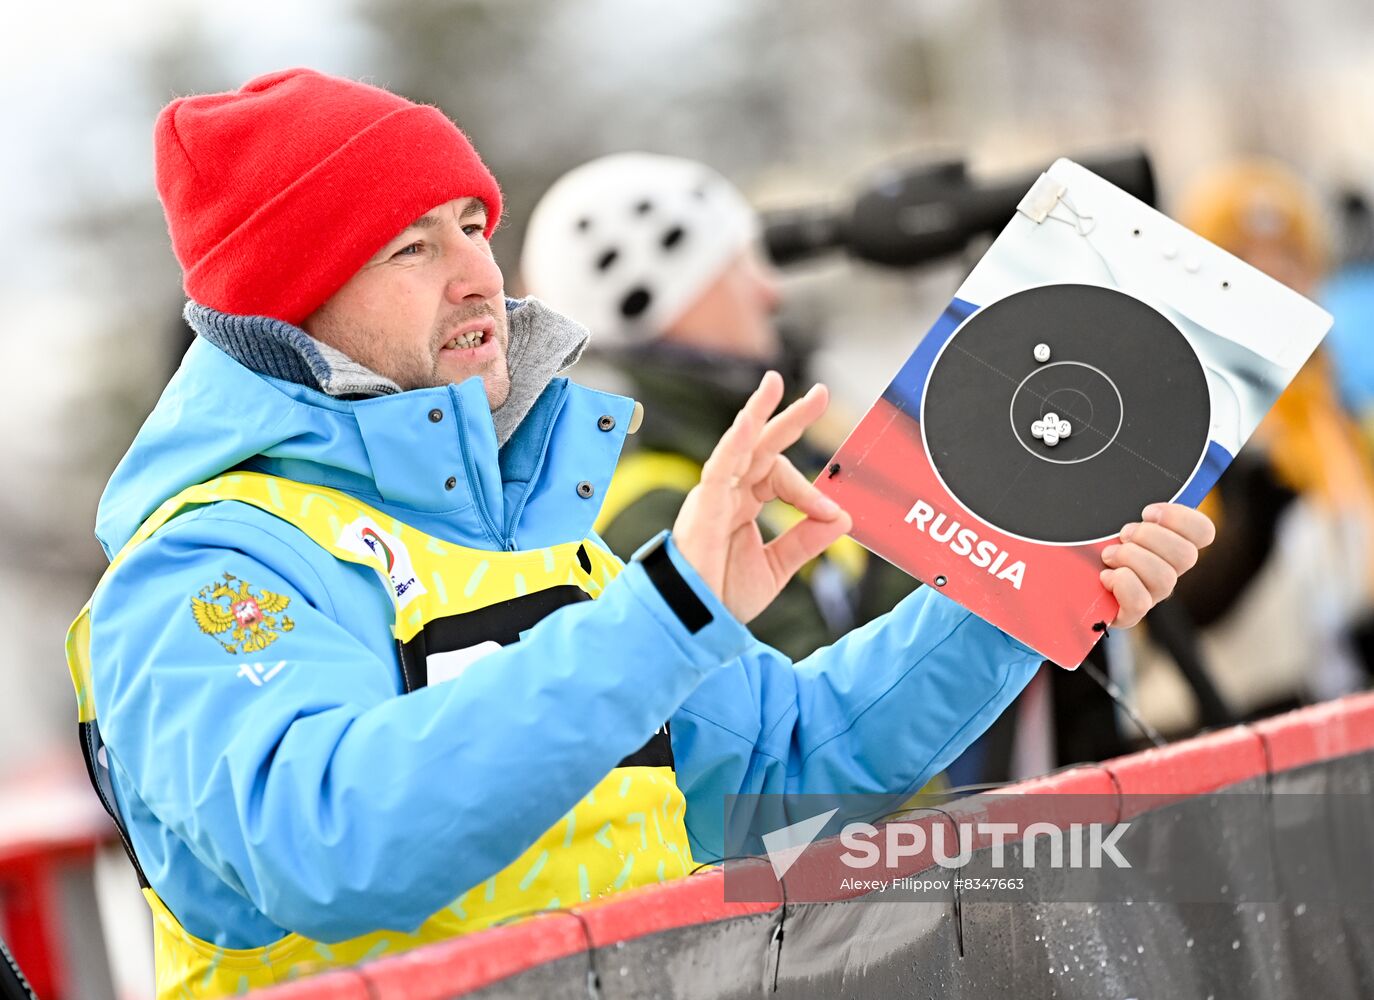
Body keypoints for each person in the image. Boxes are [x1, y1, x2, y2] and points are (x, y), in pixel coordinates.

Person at [66, 69, 1213, 999]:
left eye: (473, 224)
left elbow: (790, 771)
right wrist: (665, 612)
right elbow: (327, 840)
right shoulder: (207, 566)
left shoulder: (531, 532)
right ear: (290, 301)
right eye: (411, 247)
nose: (479, 274)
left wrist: (1033, 572)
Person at [521, 152, 917, 660]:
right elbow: (825, 713)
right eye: (740, 265)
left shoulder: (748, 436)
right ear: (678, 304)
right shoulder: (651, 513)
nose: (769, 293)